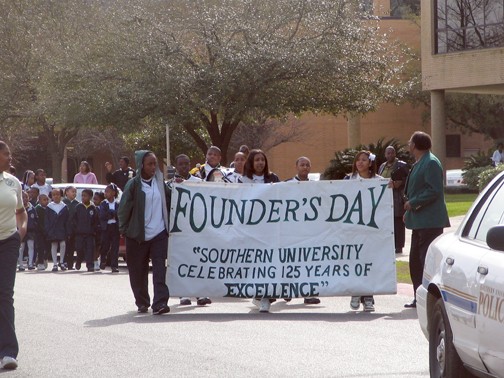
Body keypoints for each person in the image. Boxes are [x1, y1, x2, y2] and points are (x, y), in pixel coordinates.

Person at [118, 150, 171, 315]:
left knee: (160, 269)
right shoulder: (133, 185)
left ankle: (160, 303)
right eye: (150, 164)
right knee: (137, 270)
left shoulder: (161, 183)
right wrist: (124, 229)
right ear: (141, 165)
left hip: (159, 234)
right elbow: (124, 208)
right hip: (137, 235)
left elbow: (172, 200)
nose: (153, 167)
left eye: (155, 163)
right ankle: (142, 302)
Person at [403, 131, 450, 308]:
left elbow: (434, 190)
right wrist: (410, 209)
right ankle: (418, 296)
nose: (409, 145)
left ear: (415, 145)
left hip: (430, 222)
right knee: (415, 260)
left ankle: (430, 298)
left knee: (425, 261)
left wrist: (413, 203)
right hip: (419, 221)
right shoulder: (420, 162)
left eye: (410, 142)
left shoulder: (430, 162)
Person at [239, 149, 280, 313]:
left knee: (270, 262)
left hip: (271, 229)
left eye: (262, 160)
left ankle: (266, 296)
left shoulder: (273, 178)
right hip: (252, 230)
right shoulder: (243, 180)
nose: (260, 163)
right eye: (256, 160)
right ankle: (260, 295)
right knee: (256, 263)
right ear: (251, 162)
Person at [169, 154, 211, 306]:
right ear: (176, 165)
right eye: (181, 164)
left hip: (196, 229)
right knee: (182, 261)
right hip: (179, 230)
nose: (184, 167)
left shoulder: (198, 182)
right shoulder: (171, 184)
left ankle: (200, 294)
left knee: (198, 260)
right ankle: (184, 295)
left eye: (187, 164)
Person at [0, 141, 27, 370]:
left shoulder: (13, 182)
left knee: (5, 294)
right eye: (6, 154)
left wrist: (21, 230)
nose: (10, 157)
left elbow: (21, 211)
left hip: (8, 241)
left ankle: (8, 351)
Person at [345, 150, 382, 312]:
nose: (360, 162)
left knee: (369, 262)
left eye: (364, 160)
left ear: (370, 163)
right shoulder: (348, 180)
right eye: (358, 160)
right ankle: (355, 292)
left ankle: (368, 297)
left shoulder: (379, 181)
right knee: (354, 261)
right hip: (353, 229)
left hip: (372, 229)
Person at [284, 156, 321, 305]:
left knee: (308, 262)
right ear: (296, 166)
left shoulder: (316, 186)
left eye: (307, 165)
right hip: (292, 231)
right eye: (302, 165)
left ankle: (308, 294)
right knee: (290, 262)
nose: (304, 167)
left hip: (309, 232)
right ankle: (287, 290)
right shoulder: (287, 184)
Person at [378, 146, 410, 254]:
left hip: (397, 197)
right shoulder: (382, 166)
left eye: (392, 153)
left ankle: (399, 246)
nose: (390, 155)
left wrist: (399, 183)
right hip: (386, 198)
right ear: (385, 155)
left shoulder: (401, 165)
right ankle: (390, 244)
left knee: (398, 223)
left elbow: (408, 178)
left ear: (395, 153)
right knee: (388, 222)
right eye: (388, 153)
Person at [73, 189, 99, 272]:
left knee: (89, 250)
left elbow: (95, 221)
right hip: (79, 233)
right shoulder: (78, 207)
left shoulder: (93, 208)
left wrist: (94, 230)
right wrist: (76, 229)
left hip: (89, 234)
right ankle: (78, 261)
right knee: (79, 249)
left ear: (90, 197)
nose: (83, 197)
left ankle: (90, 265)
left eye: (85, 196)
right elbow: (74, 220)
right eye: (82, 196)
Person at [45, 188, 70, 272]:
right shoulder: (49, 207)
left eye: (58, 194)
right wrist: (48, 230)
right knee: (54, 245)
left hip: (61, 229)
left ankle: (62, 262)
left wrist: (67, 230)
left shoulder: (64, 207)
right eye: (54, 195)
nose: (56, 196)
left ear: (61, 195)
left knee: (63, 244)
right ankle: (55, 264)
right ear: (51, 196)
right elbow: (47, 220)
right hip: (52, 230)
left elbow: (67, 220)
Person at [99, 184, 120, 273]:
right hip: (106, 228)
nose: (106, 193)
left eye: (108, 191)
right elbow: (103, 215)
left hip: (115, 227)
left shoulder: (118, 203)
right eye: (105, 191)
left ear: (114, 193)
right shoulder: (103, 203)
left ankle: (114, 265)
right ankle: (103, 259)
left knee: (115, 247)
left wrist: (112, 214)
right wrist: (113, 214)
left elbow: (119, 214)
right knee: (105, 246)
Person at [18, 191, 38, 271]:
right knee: (21, 247)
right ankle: (21, 265)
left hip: (30, 230)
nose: (25, 199)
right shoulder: (18, 208)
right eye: (23, 197)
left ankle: (30, 263)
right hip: (21, 229)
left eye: (26, 197)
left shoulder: (32, 208)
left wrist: (34, 226)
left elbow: (36, 218)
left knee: (31, 246)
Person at [63, 186, 79, 270]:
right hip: (64, 228)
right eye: (72, 191)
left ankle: (70, 264)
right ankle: (63, 262)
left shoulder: (77, 204)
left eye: (75, 192)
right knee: (64, 246)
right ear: (66, 192)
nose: (74, 193)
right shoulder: (63, 203)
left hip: (74, 229)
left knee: (72, 247)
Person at [35, 194, 50, 271]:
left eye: (47, 199)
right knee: (40, 247)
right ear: (39, 200)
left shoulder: (49, 208)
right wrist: (41, 229)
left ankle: (45, 258)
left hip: (48, 232)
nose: (46, 201)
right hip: (39, 232)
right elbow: (37, 222)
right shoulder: (37, 209)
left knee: (48, 247)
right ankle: (40, 262)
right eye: (44, 200)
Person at [92, 192, 105, 271]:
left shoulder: (103, 208)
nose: (94, 201)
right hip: (95, 230)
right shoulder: (93, 208)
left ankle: (100, 260)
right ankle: (95, 261)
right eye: (94, 199)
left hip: (103, 230)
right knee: (95, 247)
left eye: (96, 199)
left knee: (102, 247)